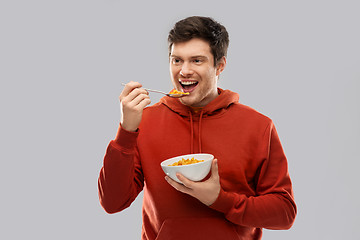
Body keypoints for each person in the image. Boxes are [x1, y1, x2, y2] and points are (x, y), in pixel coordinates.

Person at [98, 16, 296, 240]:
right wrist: (126, 130)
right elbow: (112, 203)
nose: (184, 71)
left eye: (197, 61)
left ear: (219, 65)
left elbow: (284, 212)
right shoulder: (144, 121)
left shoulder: (258, 126)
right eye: (176, 60)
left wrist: (220, 200)